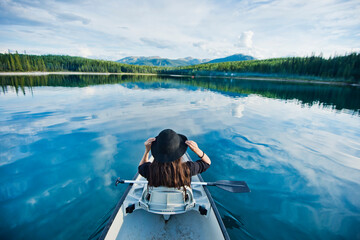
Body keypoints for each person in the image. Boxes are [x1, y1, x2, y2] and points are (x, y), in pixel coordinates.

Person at [138, 129, 211, 189]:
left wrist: (147, 151)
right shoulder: (188, 168)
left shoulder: (149, 170)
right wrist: (197, 150)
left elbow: (141, 167)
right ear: (178, 153)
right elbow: (207, 163)